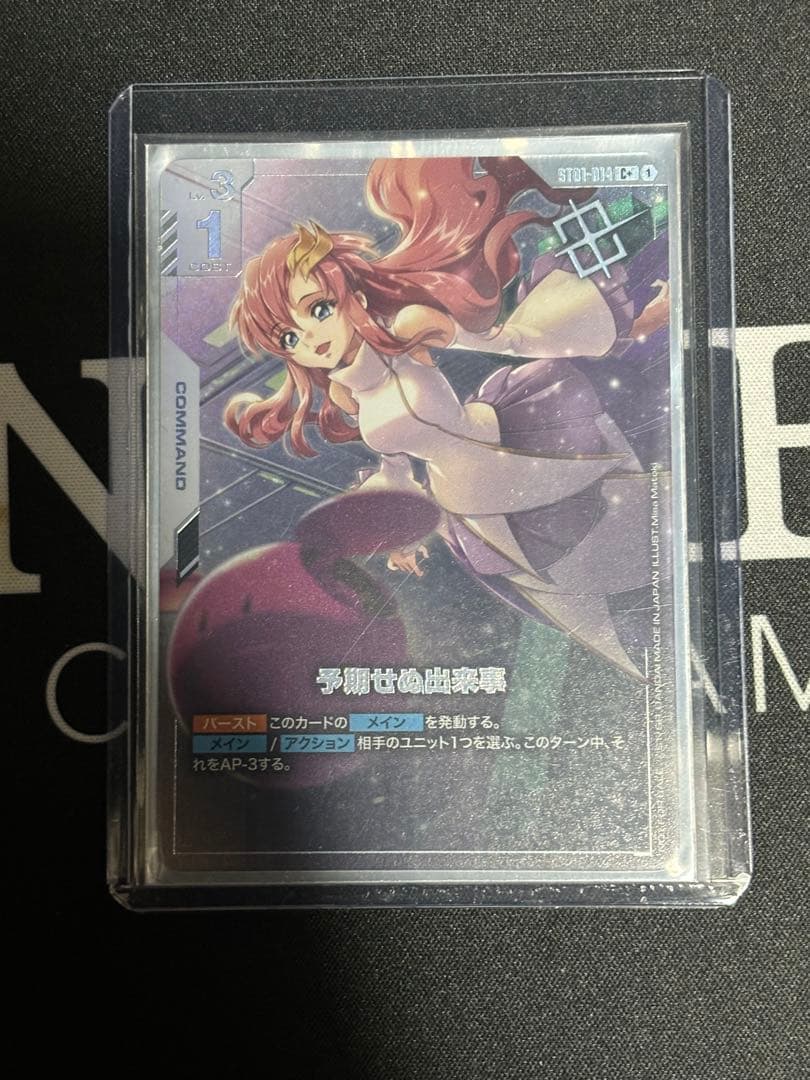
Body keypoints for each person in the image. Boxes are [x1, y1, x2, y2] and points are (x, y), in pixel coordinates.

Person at [225, 157, 671, 678]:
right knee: (574, 590)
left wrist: (636, 323)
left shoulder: (410, 325)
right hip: (468, 505)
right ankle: (656, 658)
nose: (310, 338)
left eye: (318, 309)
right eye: (288, 337)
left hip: (513, 439)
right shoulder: (345, 392)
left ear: (350, 294)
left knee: (638, 510)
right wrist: (398, 531)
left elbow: (509, 341)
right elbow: (396, 466)